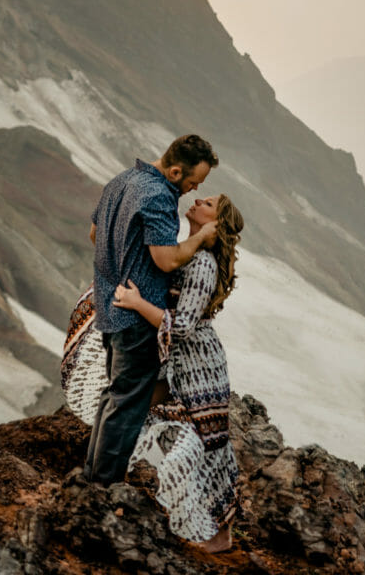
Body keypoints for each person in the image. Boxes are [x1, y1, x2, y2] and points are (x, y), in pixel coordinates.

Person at [83, 134, 219, 486]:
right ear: (175, 171)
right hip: (137, 318)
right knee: (128, 405)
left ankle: (91, 476)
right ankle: (103, 486)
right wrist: (201, 238)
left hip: (110, 307)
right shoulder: (159, 195)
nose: (193, 189)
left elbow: (95, 235)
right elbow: (166, 257)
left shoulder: (121, 180)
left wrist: (120, 267)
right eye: (193, 181)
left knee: (114, 395)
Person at [113, 192, 244, 553]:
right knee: (147, 417)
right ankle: (170, 506)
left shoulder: (203, 263)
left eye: (209, 203)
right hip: (177, 361)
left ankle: (220, 534)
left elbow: (184, 326)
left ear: (216, 224)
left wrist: (137, 304)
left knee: (209, 442)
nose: (199, 199)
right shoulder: (187, 251)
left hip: (199, 367)